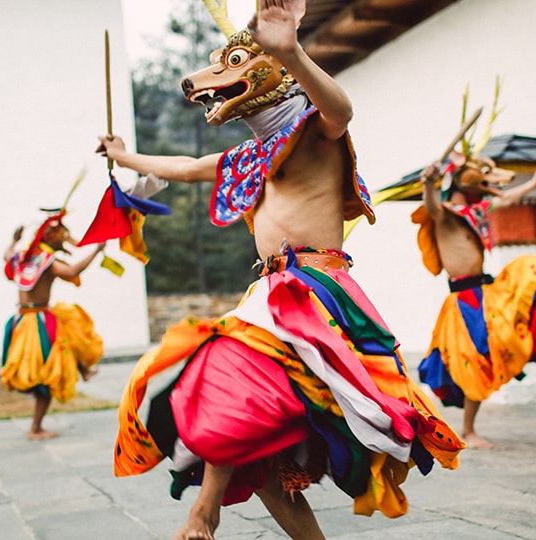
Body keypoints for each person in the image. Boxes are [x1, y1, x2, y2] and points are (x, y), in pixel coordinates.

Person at [98, 1, 463, 539]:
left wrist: (290, 48)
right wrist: (125, 159)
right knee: (254, 445)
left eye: (229, 68)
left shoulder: (316, 131)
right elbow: (184, 167)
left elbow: (342, 110)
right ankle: (231, 512)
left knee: (229, 371)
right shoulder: (249, 156)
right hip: (269, 291)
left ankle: (207, 509)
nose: (205, 84)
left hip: (313, 289)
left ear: (269, 72)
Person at [413, 151, 536, 449]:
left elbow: (506, 199)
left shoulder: (477, 211)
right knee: (476, 362)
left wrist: (535, 182)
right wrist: (429, 185)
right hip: (463, 301)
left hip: (486, 291)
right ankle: (468, 431)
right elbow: (430, 207)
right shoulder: (444, 213)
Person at [1, 211, 106, 440]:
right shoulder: (46, 262)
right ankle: (35, 429)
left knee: (67, 324)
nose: (66, 240)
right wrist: (96, 251)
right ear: (51, 237)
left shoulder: (24, 257)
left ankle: (84, 369)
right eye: (62, 236)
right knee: (47, 375)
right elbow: (71, 272)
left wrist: (14, 240)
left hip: (22, 319)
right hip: (35, 322)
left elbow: (6, 255)